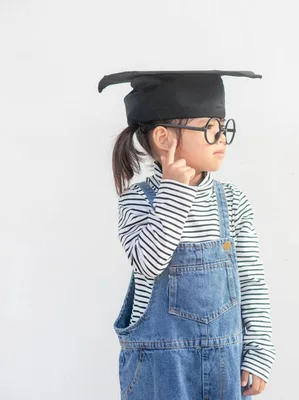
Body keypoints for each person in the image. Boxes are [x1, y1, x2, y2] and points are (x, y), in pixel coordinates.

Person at [98, 70, 276, 399]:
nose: (222, 138)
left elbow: (251, 279)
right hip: (160, 373)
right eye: (210, 129)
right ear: (165, 138)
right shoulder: (138, 201)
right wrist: (174, 192)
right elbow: (149, 264)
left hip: (226, 368)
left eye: (224, 128)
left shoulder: (233, 202)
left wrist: (260, 348)